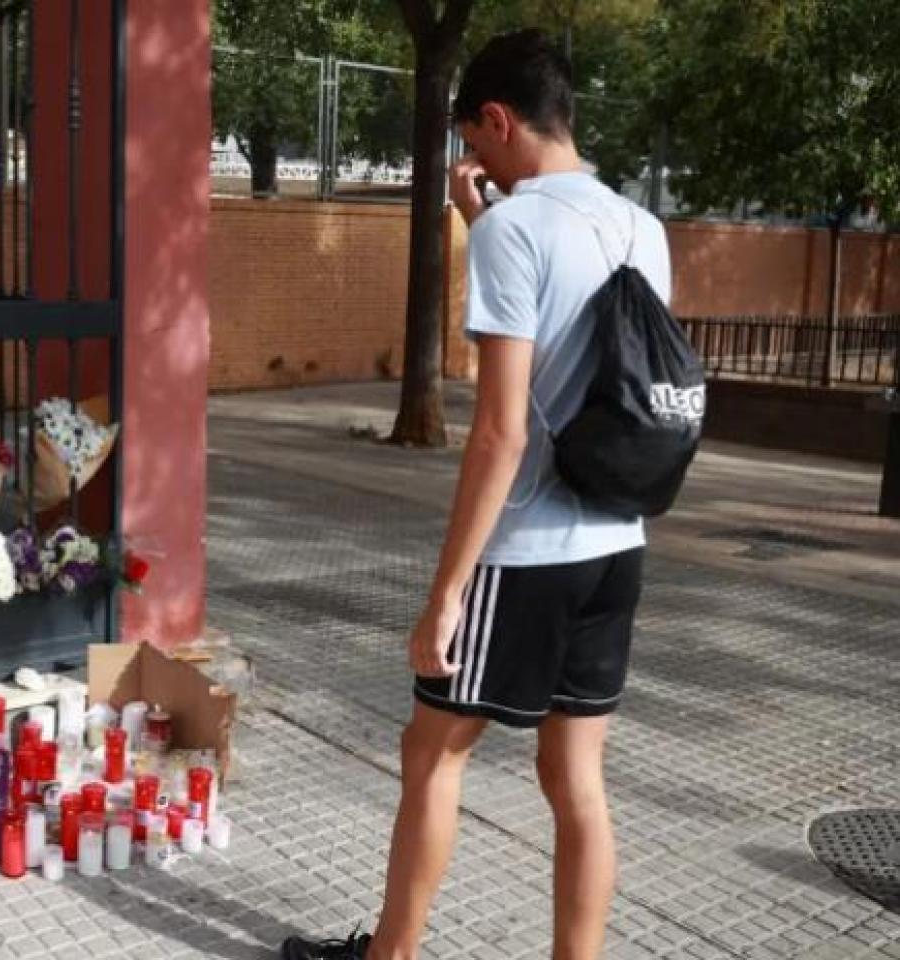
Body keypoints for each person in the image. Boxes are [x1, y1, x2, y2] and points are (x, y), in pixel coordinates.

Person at [281, 29, 672, 960]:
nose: (474, 159)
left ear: (498, 121)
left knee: (433, 751)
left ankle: (392, 955)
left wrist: (447, 591)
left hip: (528, 551)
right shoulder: (641, 226)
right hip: (617, 543)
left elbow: (502, 431)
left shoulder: (515, 229)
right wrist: (478, 221)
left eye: (474, 137)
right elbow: (593, 354)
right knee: (576, 776)